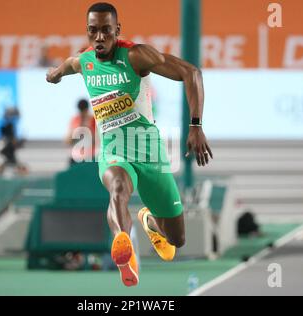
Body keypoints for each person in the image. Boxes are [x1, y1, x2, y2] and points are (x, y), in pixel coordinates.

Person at [46, 2, 212, 287]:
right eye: (93, 31)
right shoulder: (84, 61)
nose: (99, 37)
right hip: (113, 151)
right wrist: (55, 74)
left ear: (117, 30)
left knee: (177, 240)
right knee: (117, 188)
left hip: (150, 152)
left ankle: (149, 220)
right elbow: (68, 65)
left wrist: (196, 126)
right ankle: (125, 250)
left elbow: (191, 72)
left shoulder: (136, 55)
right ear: (87, 32)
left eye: (106, 31)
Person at [65, 99, 97, 165]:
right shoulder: (75, 120)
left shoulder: (93, 120)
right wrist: (77, 131)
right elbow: (67, 141)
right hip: (76, 157)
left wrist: (88, 128)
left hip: (90, 157)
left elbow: (97, 141)